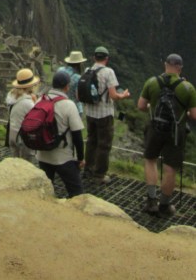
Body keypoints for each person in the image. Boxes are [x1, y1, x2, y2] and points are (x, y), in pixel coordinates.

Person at [137, 54, 196, 216]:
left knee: (150, 160)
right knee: (170, 168)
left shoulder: (152, 82)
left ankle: (151, 201)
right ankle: (164, 206)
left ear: (165, 65)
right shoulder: (188, 88)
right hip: (175, 133)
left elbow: (141, 106)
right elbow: (194, 115)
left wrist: (152, 106)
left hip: (154, 128)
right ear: (180, 68)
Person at [84, 46, 130, 184]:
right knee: (104, 145)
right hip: (104, 114)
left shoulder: (87, 70)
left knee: (91, 142)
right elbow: (113, 95)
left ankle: (88, 170)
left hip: (90, 113)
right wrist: (123, 95)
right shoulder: (108, 72)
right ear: (107, 59)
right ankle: (99, 175)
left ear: (94, 57)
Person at [36, 71, 85, 198]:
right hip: (63, 157)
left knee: (45, 192)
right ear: (67, 87)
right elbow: (77, 135)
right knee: (77, 194)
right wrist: (80, 158)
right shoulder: (69, 105)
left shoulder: (40, 100)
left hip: (42, 155)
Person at [6, 68, 40, 161]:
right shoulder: (27, 103)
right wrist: (35, 102)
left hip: (13, 134)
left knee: (15, 162)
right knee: (26, 164)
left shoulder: (12, 97)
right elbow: (36, 118)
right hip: (23, 138)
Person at [57, 50, 87, 115]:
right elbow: (78, 97)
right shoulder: (78, 77)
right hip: (74, 109)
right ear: (79, 64)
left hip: (59, 106)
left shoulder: (59, 70)